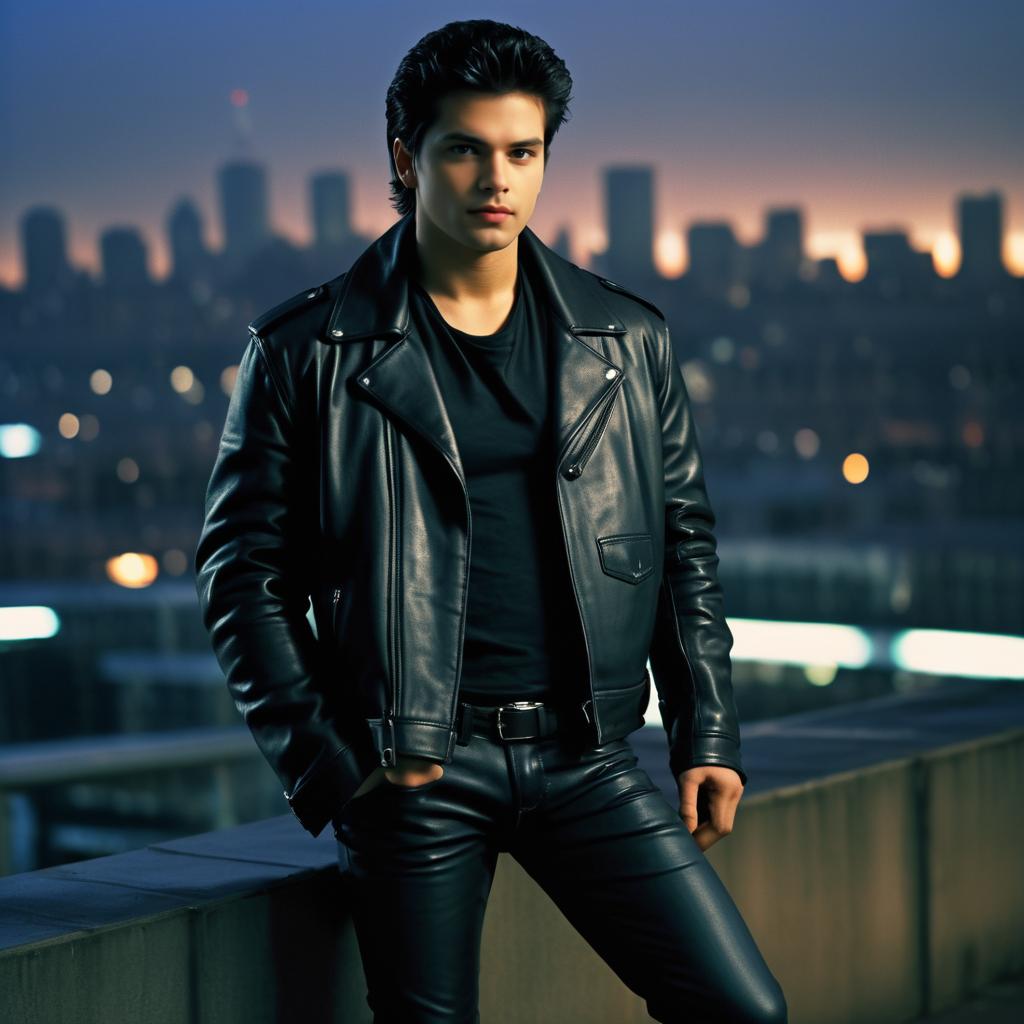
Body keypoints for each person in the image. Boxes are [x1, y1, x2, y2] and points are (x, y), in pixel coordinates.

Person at [194, 18, 787, 1024]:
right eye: (464, 149)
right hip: (417, 769)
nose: (496, 180)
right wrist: (338, 771)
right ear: (405, 158)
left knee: (744, 1008)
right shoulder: (311, 349)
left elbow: (681, 539)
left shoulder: (623, 337)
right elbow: (238, 574)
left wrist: (708, 730)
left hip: (587, 756)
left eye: (522, 152)